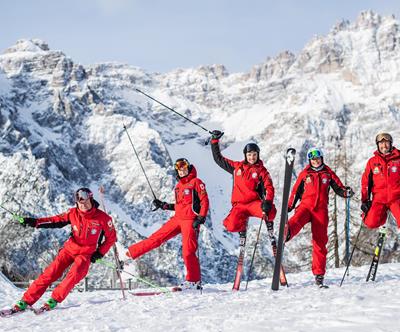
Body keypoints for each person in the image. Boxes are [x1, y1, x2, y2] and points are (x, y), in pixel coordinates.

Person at [11, 188, 117, 313]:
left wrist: (99, 253)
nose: (84, 206)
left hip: (86, 254)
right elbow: (54, 220)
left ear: (91, 200)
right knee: (50, 273)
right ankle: (26, 301)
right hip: (69, 249)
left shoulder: (103, 218)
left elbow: (111, 238)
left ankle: (54, 299)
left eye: (87, 202)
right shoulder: (72, 213)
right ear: (77, 203)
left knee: (74, 274)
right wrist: (35, 222)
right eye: (81, 204)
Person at [126, 158, 209, 290]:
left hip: (190, 221)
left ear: (188, 167)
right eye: (179, 168)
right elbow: (179, 206)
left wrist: (201, 217)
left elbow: (205, 201)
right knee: (156, 238)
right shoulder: (178, 186)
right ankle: (128, 254)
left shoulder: (196, 182)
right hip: (177, 218)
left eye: (184, 167)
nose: (181, 170)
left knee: (188, 252)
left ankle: (194, 281)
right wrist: (163, 205)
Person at [286, 148, 354, 287]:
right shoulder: (305, 174)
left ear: (322, 158)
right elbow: (296, 192)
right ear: (309, 160)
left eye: (318, 158)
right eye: (313, 159)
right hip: (305, 207)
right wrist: (289, 206)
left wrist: (346, 192)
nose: (316, 161)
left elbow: (338, 188)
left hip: (321, 211)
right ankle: (286, 233)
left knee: (320, 242)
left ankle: (319, 275)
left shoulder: (327, 173)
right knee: (297, 220)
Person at [210, 130, 277, 235]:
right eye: (249, 154)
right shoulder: (236, 168)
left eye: (254, 154)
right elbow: (219, 159)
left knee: (271, 212)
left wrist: (268, 202)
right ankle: (242, 226)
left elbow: (269, 187)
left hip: (254, 204)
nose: (252, 157)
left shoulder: (261, 170)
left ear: (258, 155)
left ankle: (268, 223)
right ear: (245, 155)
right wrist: (214, 141)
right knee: (231, 226)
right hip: (239, 206)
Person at [361, 132, 400, 228]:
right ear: (377, 145)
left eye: (386, 142)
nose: (384, 145)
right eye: (381, 143)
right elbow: (366, 182)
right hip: (379, 199)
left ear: (391, 143)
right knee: (370, 223)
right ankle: (384, 217)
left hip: (396, 198)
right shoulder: (372, 162)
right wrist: (365, 201)